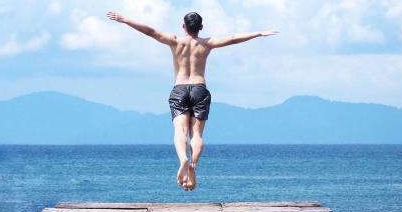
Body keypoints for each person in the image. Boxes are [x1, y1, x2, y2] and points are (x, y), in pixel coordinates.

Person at [106, 11, 278, 191]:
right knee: (196, 135)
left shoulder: (174, 41)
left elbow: (150, 31)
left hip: (180, 88)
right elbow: (233, 38)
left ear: (183, 26)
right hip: (199, 89)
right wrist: (258, 33)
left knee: (180, 130)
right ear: (201, 27)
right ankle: (193, 165)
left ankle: (183, 159)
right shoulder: (207, 43)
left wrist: (125, 20)